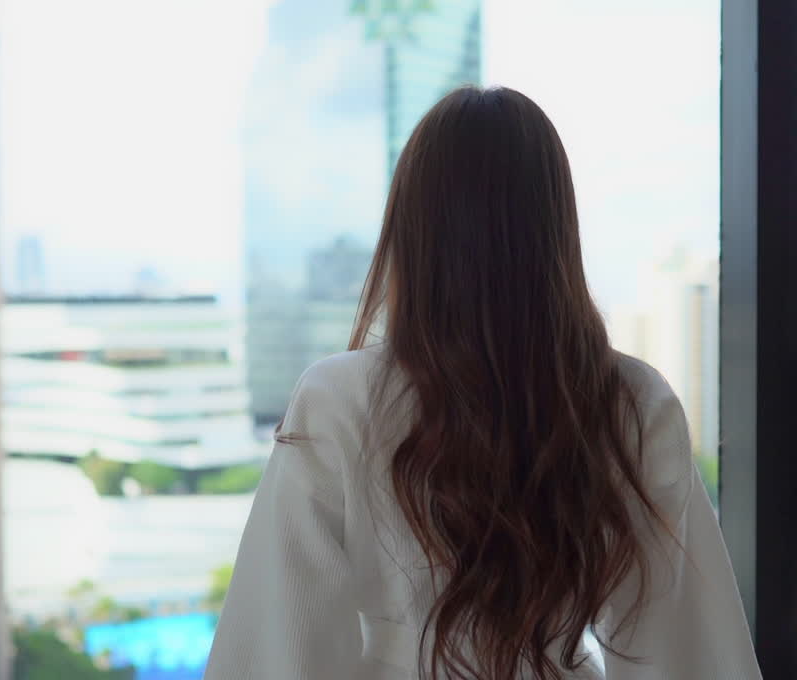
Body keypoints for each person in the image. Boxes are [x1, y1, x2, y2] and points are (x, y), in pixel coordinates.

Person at [204, 86, 761, 679]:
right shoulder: (631, 400)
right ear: (554, 226)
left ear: (412, 229)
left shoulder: (338, 398)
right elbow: (688, 649)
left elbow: (276, 644)